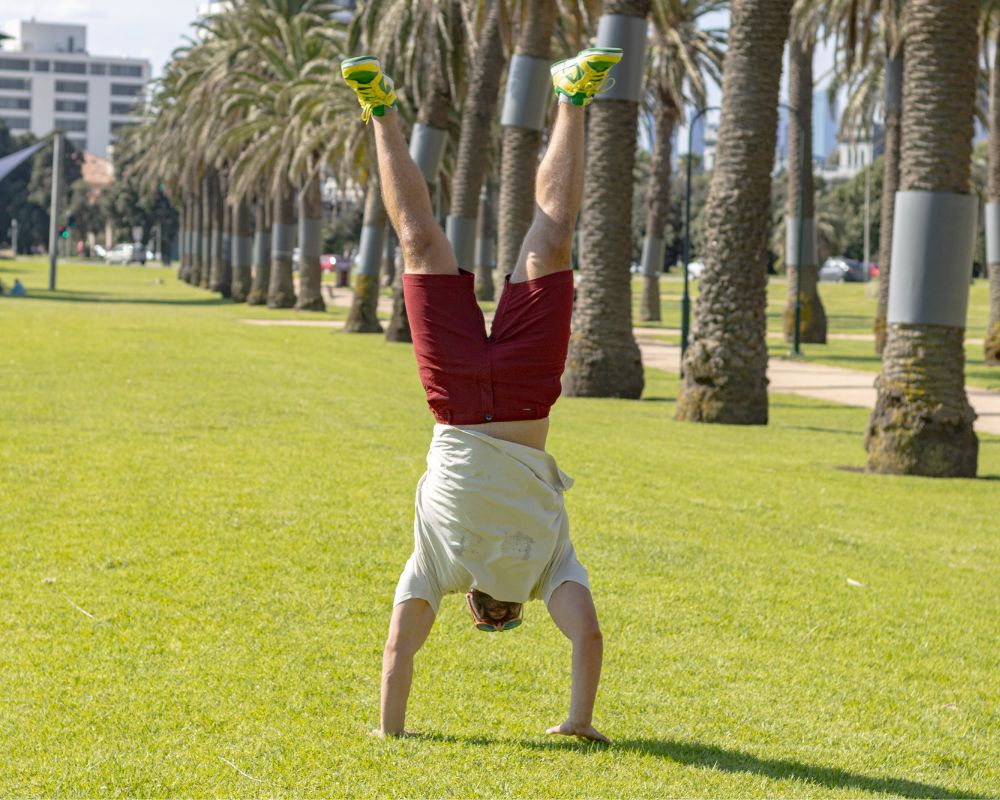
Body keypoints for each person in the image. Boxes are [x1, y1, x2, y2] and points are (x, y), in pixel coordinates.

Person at [342, 47, 623, 743]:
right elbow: (587, 636)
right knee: (552, 240)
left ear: (470, 607)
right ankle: (573, 96)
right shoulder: (549, 571)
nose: (495, 617)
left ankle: (378, 109)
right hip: (529, 394)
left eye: (485, 620)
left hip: (456, 400)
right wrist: (578, 722)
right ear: (520, 611)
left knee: (418, 243)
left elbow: (399, 649)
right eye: (506, 621)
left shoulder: (439, 567)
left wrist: (390, 731)